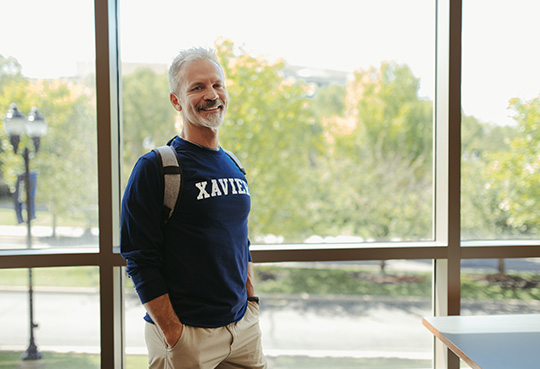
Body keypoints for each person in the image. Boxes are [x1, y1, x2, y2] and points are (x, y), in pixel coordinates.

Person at [120, 47, 266, 369]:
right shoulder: (156, 167)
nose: (211, 94)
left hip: (243, 331)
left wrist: (251, 302)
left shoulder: (233, 164)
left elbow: (240, 242)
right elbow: (139, 258)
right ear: (176, 101)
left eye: (217, 85)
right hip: (187, 338)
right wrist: (175, 335)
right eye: (197, 87)